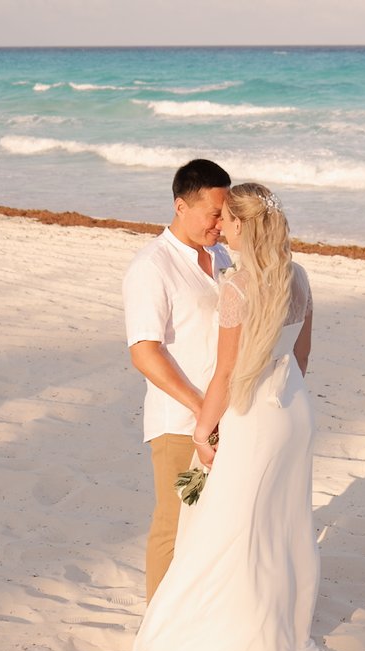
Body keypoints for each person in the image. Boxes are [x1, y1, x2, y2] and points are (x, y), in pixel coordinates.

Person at [132, 182, 321, 651]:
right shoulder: (296, 276)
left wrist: (203, 429)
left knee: (224, 523)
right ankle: (276, 623)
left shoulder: (237, 283)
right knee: (279, 520)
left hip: (250, 416)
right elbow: (300, 357)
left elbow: (225, 371)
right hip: (293, 410)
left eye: (226, 219)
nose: (220, 227)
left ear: (241, 224)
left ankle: (219, 628)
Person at [123, 159, 232, 602]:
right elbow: (144, 352)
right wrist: (200, 407)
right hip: (178, 422)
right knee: (174, 522)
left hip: (224, 413)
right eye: (213, 213)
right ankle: (156, 626)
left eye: (225, 213)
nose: (221, 223)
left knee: (212, 524)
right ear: (180, 206)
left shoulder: (222, 255)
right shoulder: (152, 266)